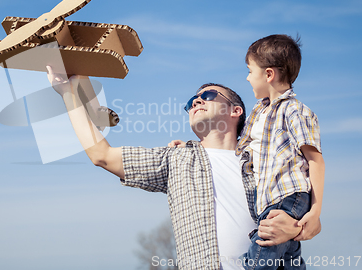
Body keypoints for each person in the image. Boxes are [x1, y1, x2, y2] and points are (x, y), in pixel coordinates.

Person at [46, 66, 319, 270]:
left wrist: (299, 227)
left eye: (208, 96)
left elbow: (302, 201)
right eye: (191, 102)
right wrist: (68, 93)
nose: (196, 102)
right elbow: (102, 155)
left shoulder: (264, 156)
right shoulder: (176, 159)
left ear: (235, 111)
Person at [236, 34, 325, 270]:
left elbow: (315, 160)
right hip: (268, 202)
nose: (247, 77)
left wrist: (315, 212)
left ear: (268, 74)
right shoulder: (260, 112)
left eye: (249, 70)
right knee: (287, 263)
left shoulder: (295, 111)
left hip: (288, 197)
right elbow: (240, 147)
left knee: (258, 262)